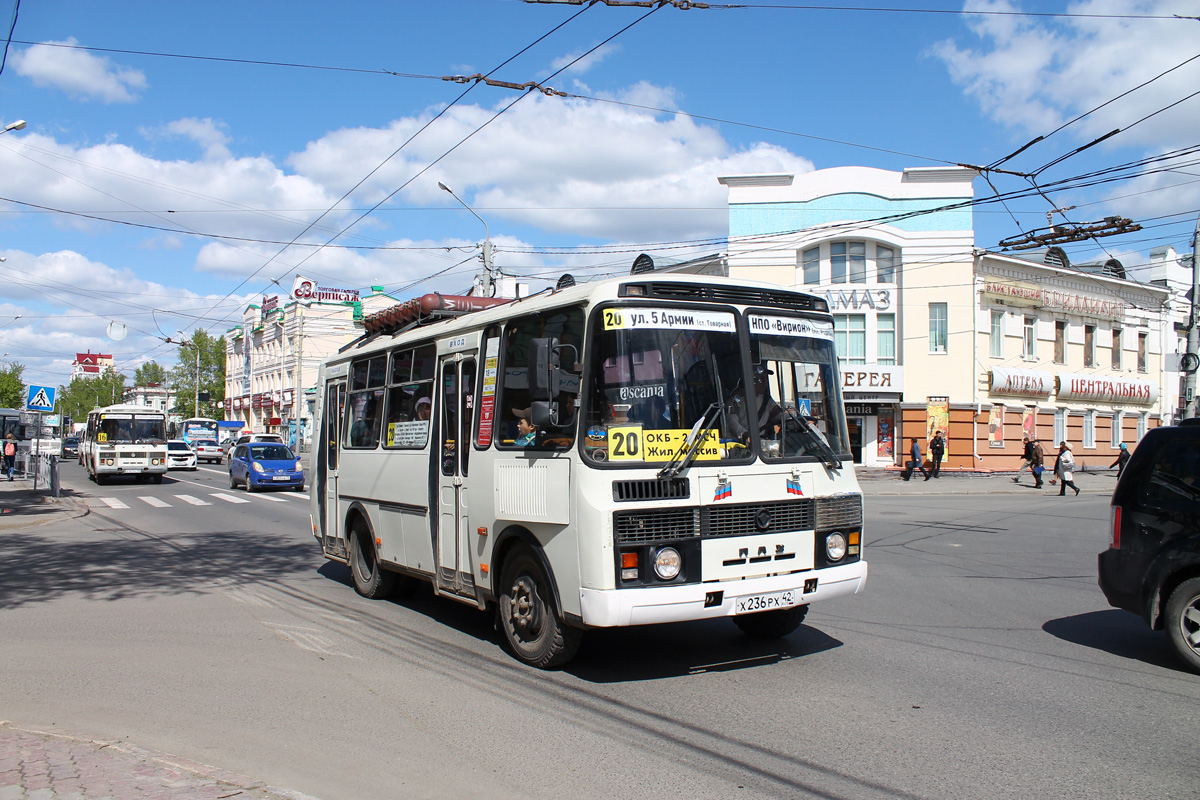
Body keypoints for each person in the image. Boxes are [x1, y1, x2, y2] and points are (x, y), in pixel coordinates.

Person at [729, 364, 782, 444]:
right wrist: (745, 434)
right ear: (751, 380)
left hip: (761, 443)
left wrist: (796, 421)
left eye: (765, 379)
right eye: (761, 379)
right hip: (740, 444)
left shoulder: (767, 400)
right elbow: (731, 421)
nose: (765, 382)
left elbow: (779, 414)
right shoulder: (735, 400)